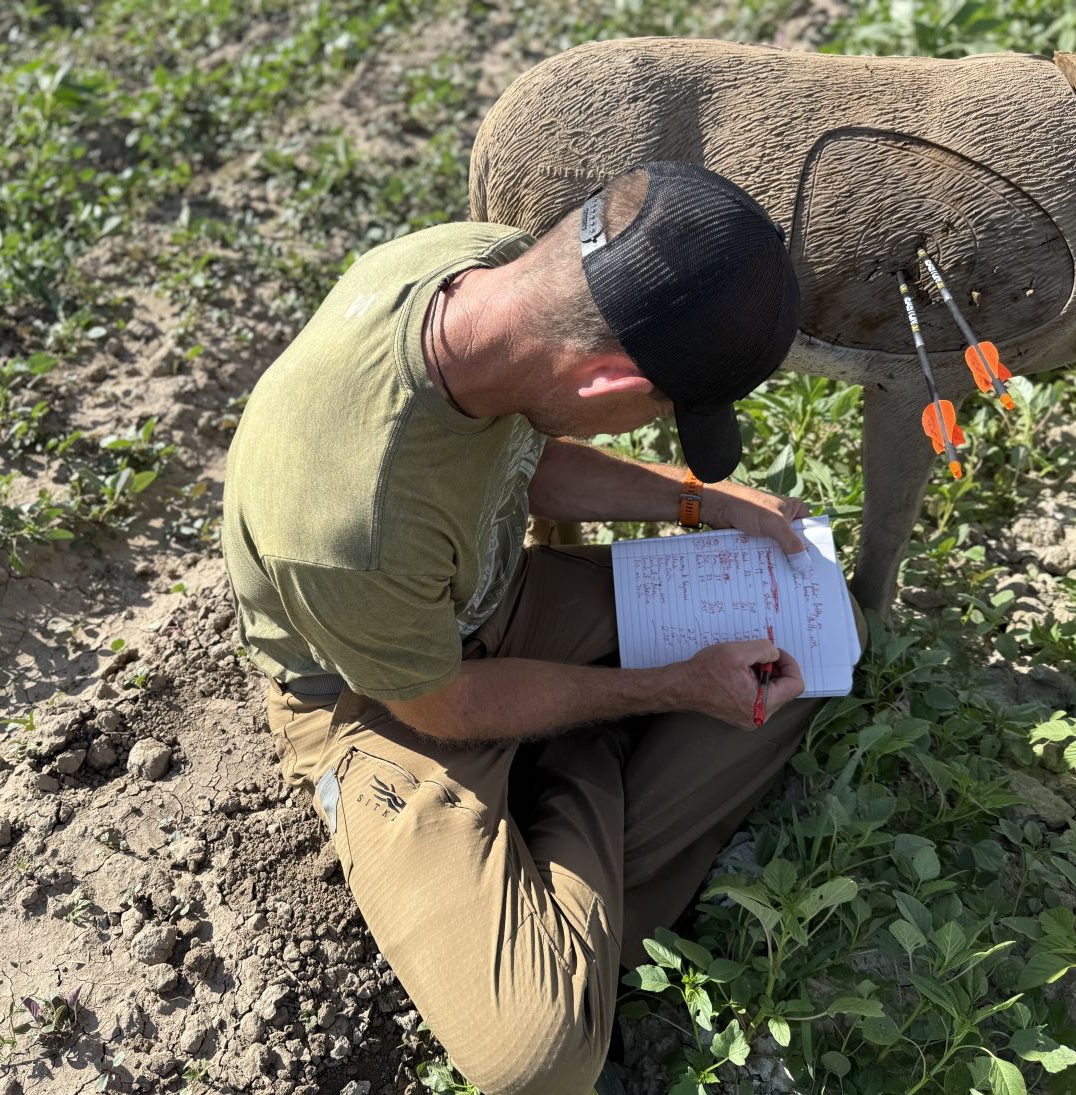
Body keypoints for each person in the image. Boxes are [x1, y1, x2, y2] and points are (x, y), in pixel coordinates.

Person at [222, 161, 859, 1095]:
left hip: (493, 594)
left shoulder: (481, 273)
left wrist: (699, 501)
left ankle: (558, 843)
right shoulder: (348, 523)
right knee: (542, 1063)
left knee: (812, 632)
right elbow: (441, 706)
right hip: (383, 701)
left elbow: (533, 460)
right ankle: (586, 762)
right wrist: (666, 687)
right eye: (665, 411)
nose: (666, 430)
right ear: (605, 379)